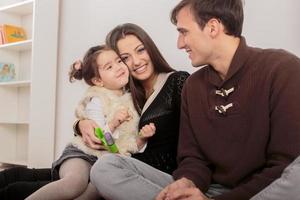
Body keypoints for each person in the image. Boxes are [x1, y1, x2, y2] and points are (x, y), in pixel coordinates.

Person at [87, 0, 300, 200]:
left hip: (265, 191)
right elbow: (193, 158)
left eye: (183, 32)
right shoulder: (194, 86)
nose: (179, 44)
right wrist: (187, 182)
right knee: (105, 168)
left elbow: (285, 164)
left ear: (212, 27)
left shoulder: (282, 69)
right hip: (209, 189)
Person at [26, 44, 156, 200]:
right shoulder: (97, 99)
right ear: (98, 81)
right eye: (109, 67)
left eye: (119, 61)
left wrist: (142, 138)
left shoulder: (132, 102)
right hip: (82, 153)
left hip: (106, 163)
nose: (118, 67)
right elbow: (98, 137)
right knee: (74, 183)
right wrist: (114, 123)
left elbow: (129, 144)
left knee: (93, 192)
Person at [76, 23, 190, 175]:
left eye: (141, 50)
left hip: (165, 174)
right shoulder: (126, 93)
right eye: (125, 58)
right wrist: (79, 124)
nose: (136, 62)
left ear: (150, 48)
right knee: (71, 180)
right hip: (127, 165)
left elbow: (198, 136)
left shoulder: (177, 81)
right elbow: (99, 117)